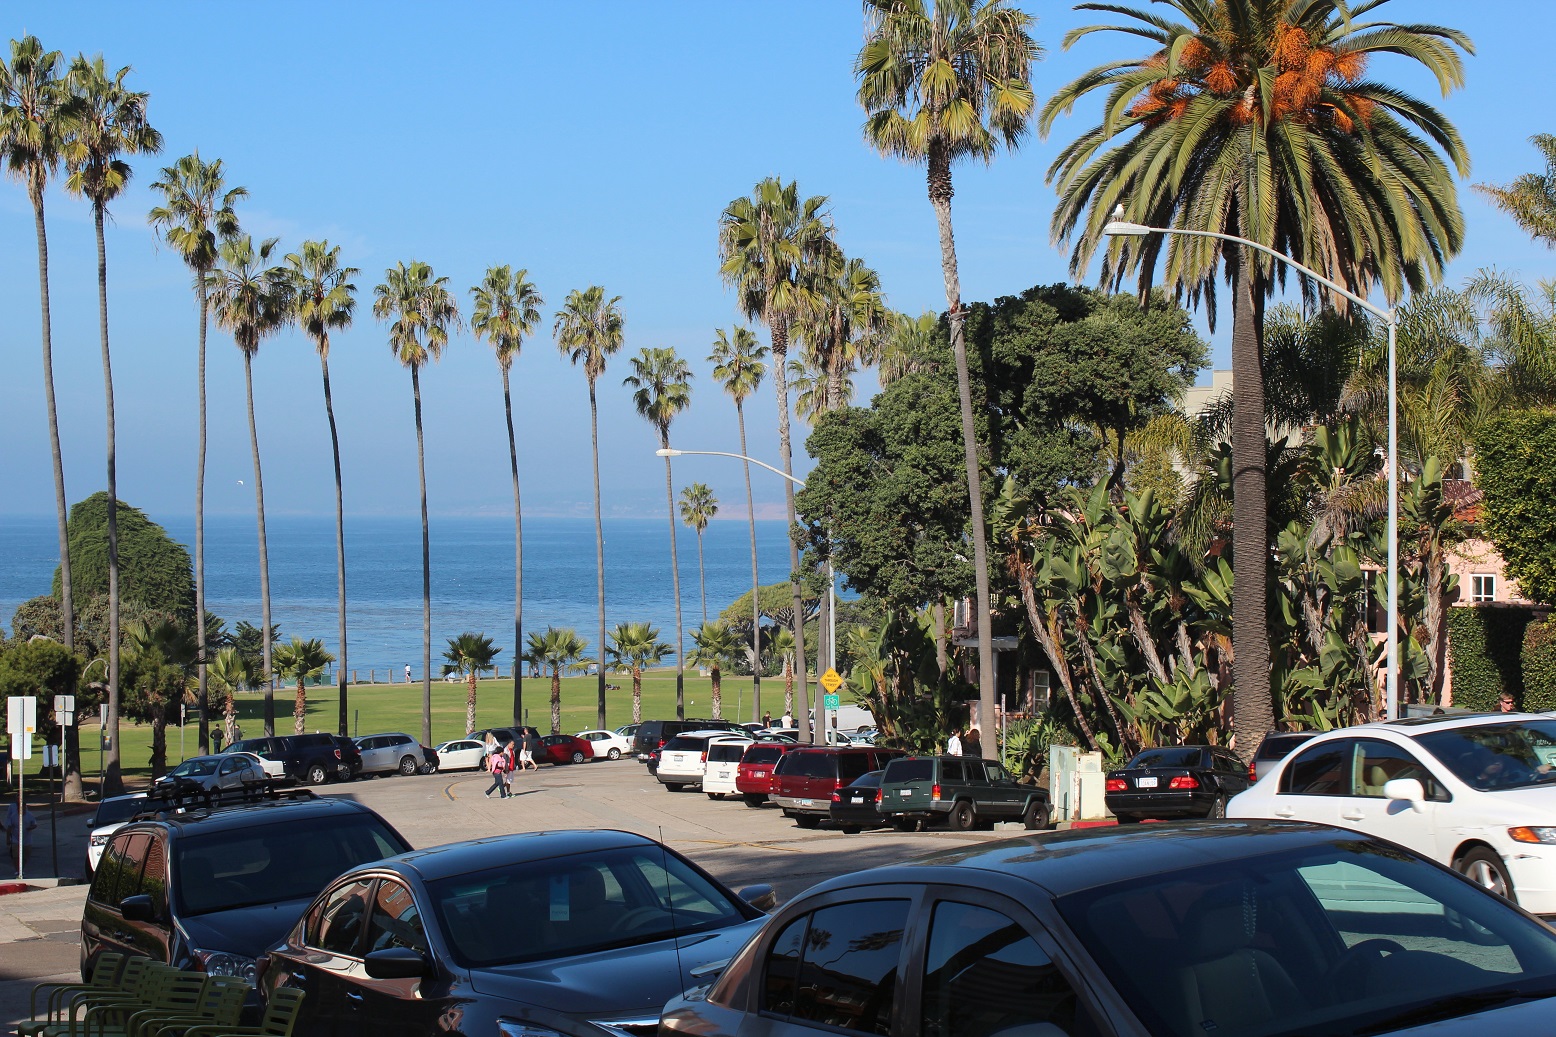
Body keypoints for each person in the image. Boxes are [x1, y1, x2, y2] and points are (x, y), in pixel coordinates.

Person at [3, 801, 37, 872]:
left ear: (25, 807)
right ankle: (17, 870)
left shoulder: (30, 815)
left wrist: (30, 827)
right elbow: (9, 828)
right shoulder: (13, 816)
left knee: (26, 855)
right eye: (19, 808)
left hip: (27, 839)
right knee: (16, 855)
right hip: (15, 838)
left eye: (23, 807)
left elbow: (34, 824)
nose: (21, 809)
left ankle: (21, 869)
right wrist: (8, 839)